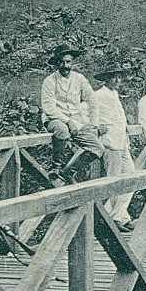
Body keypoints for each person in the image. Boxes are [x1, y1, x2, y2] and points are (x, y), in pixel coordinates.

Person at [40, 43, 105, 185]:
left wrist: (94, 124)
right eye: (61, 62)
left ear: (72, 63)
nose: (65, 65)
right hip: (55, 118)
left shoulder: (79, 79)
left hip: (77, 121)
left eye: (68, 62)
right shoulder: (49, 81)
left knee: (97, 148)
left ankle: (69, 171)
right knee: (62, 130)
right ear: (56, 63)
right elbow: (48, 107)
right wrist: (68, 121)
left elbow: (92, 100)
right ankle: (55, 167)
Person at [91, 62, 136, 232]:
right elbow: (85, 112)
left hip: (122, 142)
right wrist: (96, 127)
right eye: (113, 77)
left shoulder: (114, 94)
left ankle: (115, 214)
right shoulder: (98, 95)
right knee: (115, 180)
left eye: (118, 77)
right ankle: (116, 218)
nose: (117, 80)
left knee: (132, 176)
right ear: (105, 79)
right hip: (110, 143)